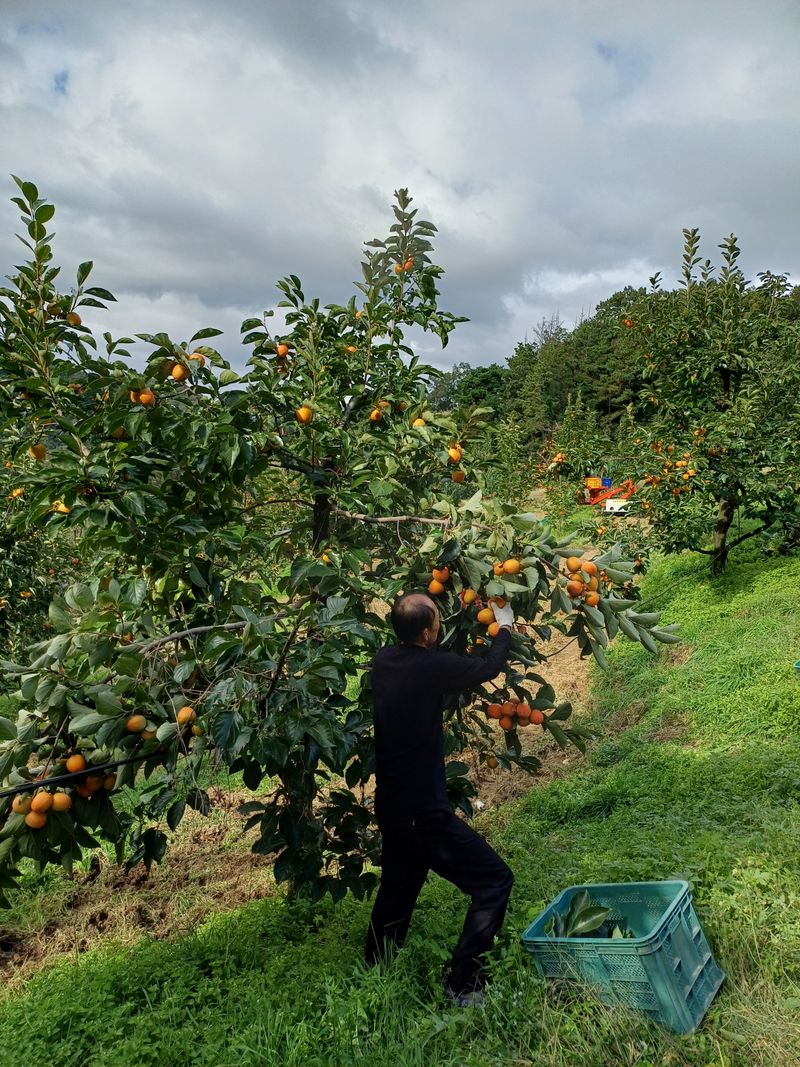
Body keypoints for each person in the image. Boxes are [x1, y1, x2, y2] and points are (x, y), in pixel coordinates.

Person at [365, 590, 516, 1007]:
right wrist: (504, 625)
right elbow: (487, 668)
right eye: (436, 621)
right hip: (423, 813)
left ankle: (376, 970)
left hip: (392, 806)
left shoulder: (383, 662)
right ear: (430, 632)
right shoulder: (432, 668)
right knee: (493, 881)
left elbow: (433, 660)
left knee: (399, 884)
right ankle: (463, 986)